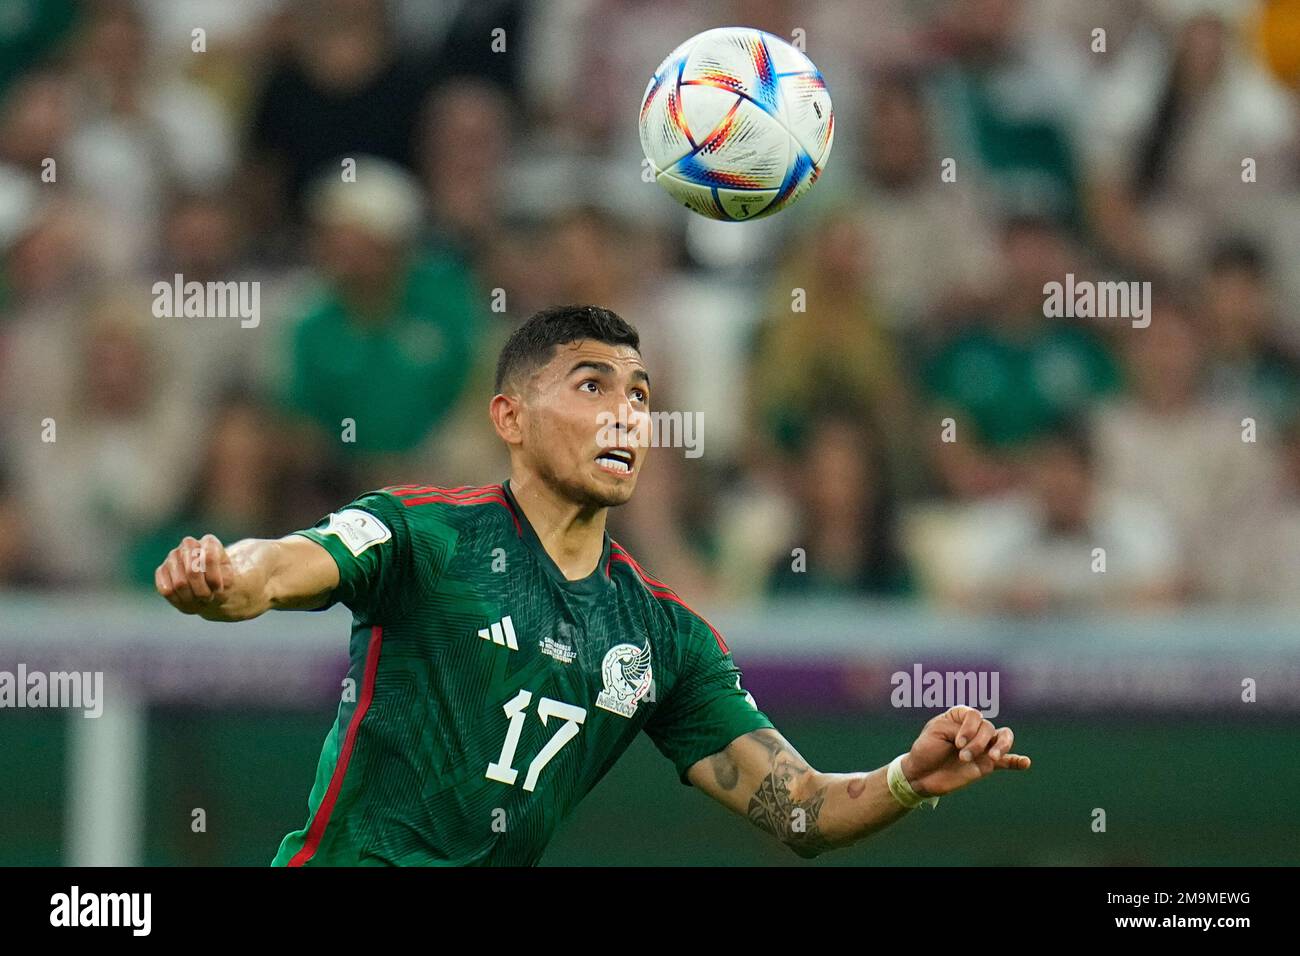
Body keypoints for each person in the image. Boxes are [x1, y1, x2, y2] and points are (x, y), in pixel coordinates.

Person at [154, 305, 1030, 866]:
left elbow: (800, 810)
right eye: (592, 385)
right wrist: (223, 578)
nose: (626, 413)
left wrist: (906, 777)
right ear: (510, 417)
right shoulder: (424, 534)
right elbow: (280, 568)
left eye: (641, 395)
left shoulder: (663, 638)